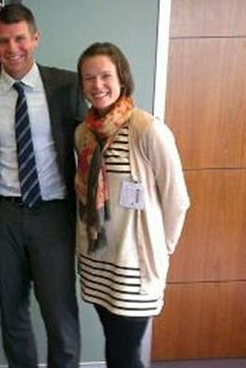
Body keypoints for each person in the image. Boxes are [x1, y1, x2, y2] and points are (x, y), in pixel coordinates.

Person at [0, 4, 85, 368]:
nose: (12, 48)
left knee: (60, 315)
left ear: (35, 38)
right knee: (12, 315)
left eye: (20, 38)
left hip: (52, 215)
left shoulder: (67, 85)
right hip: (3, 216)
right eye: (3, 41)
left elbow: (94, 137)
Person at [74, 42, 190, 368]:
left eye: (105, 76)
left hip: (134, 270)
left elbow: (177, 200)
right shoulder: (83, 134)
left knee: (125, 354)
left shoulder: (148, 130)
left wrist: (160, 250)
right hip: (98, 263)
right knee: (115, 348)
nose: (97, 85)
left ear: (122, 77)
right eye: (89, 78)